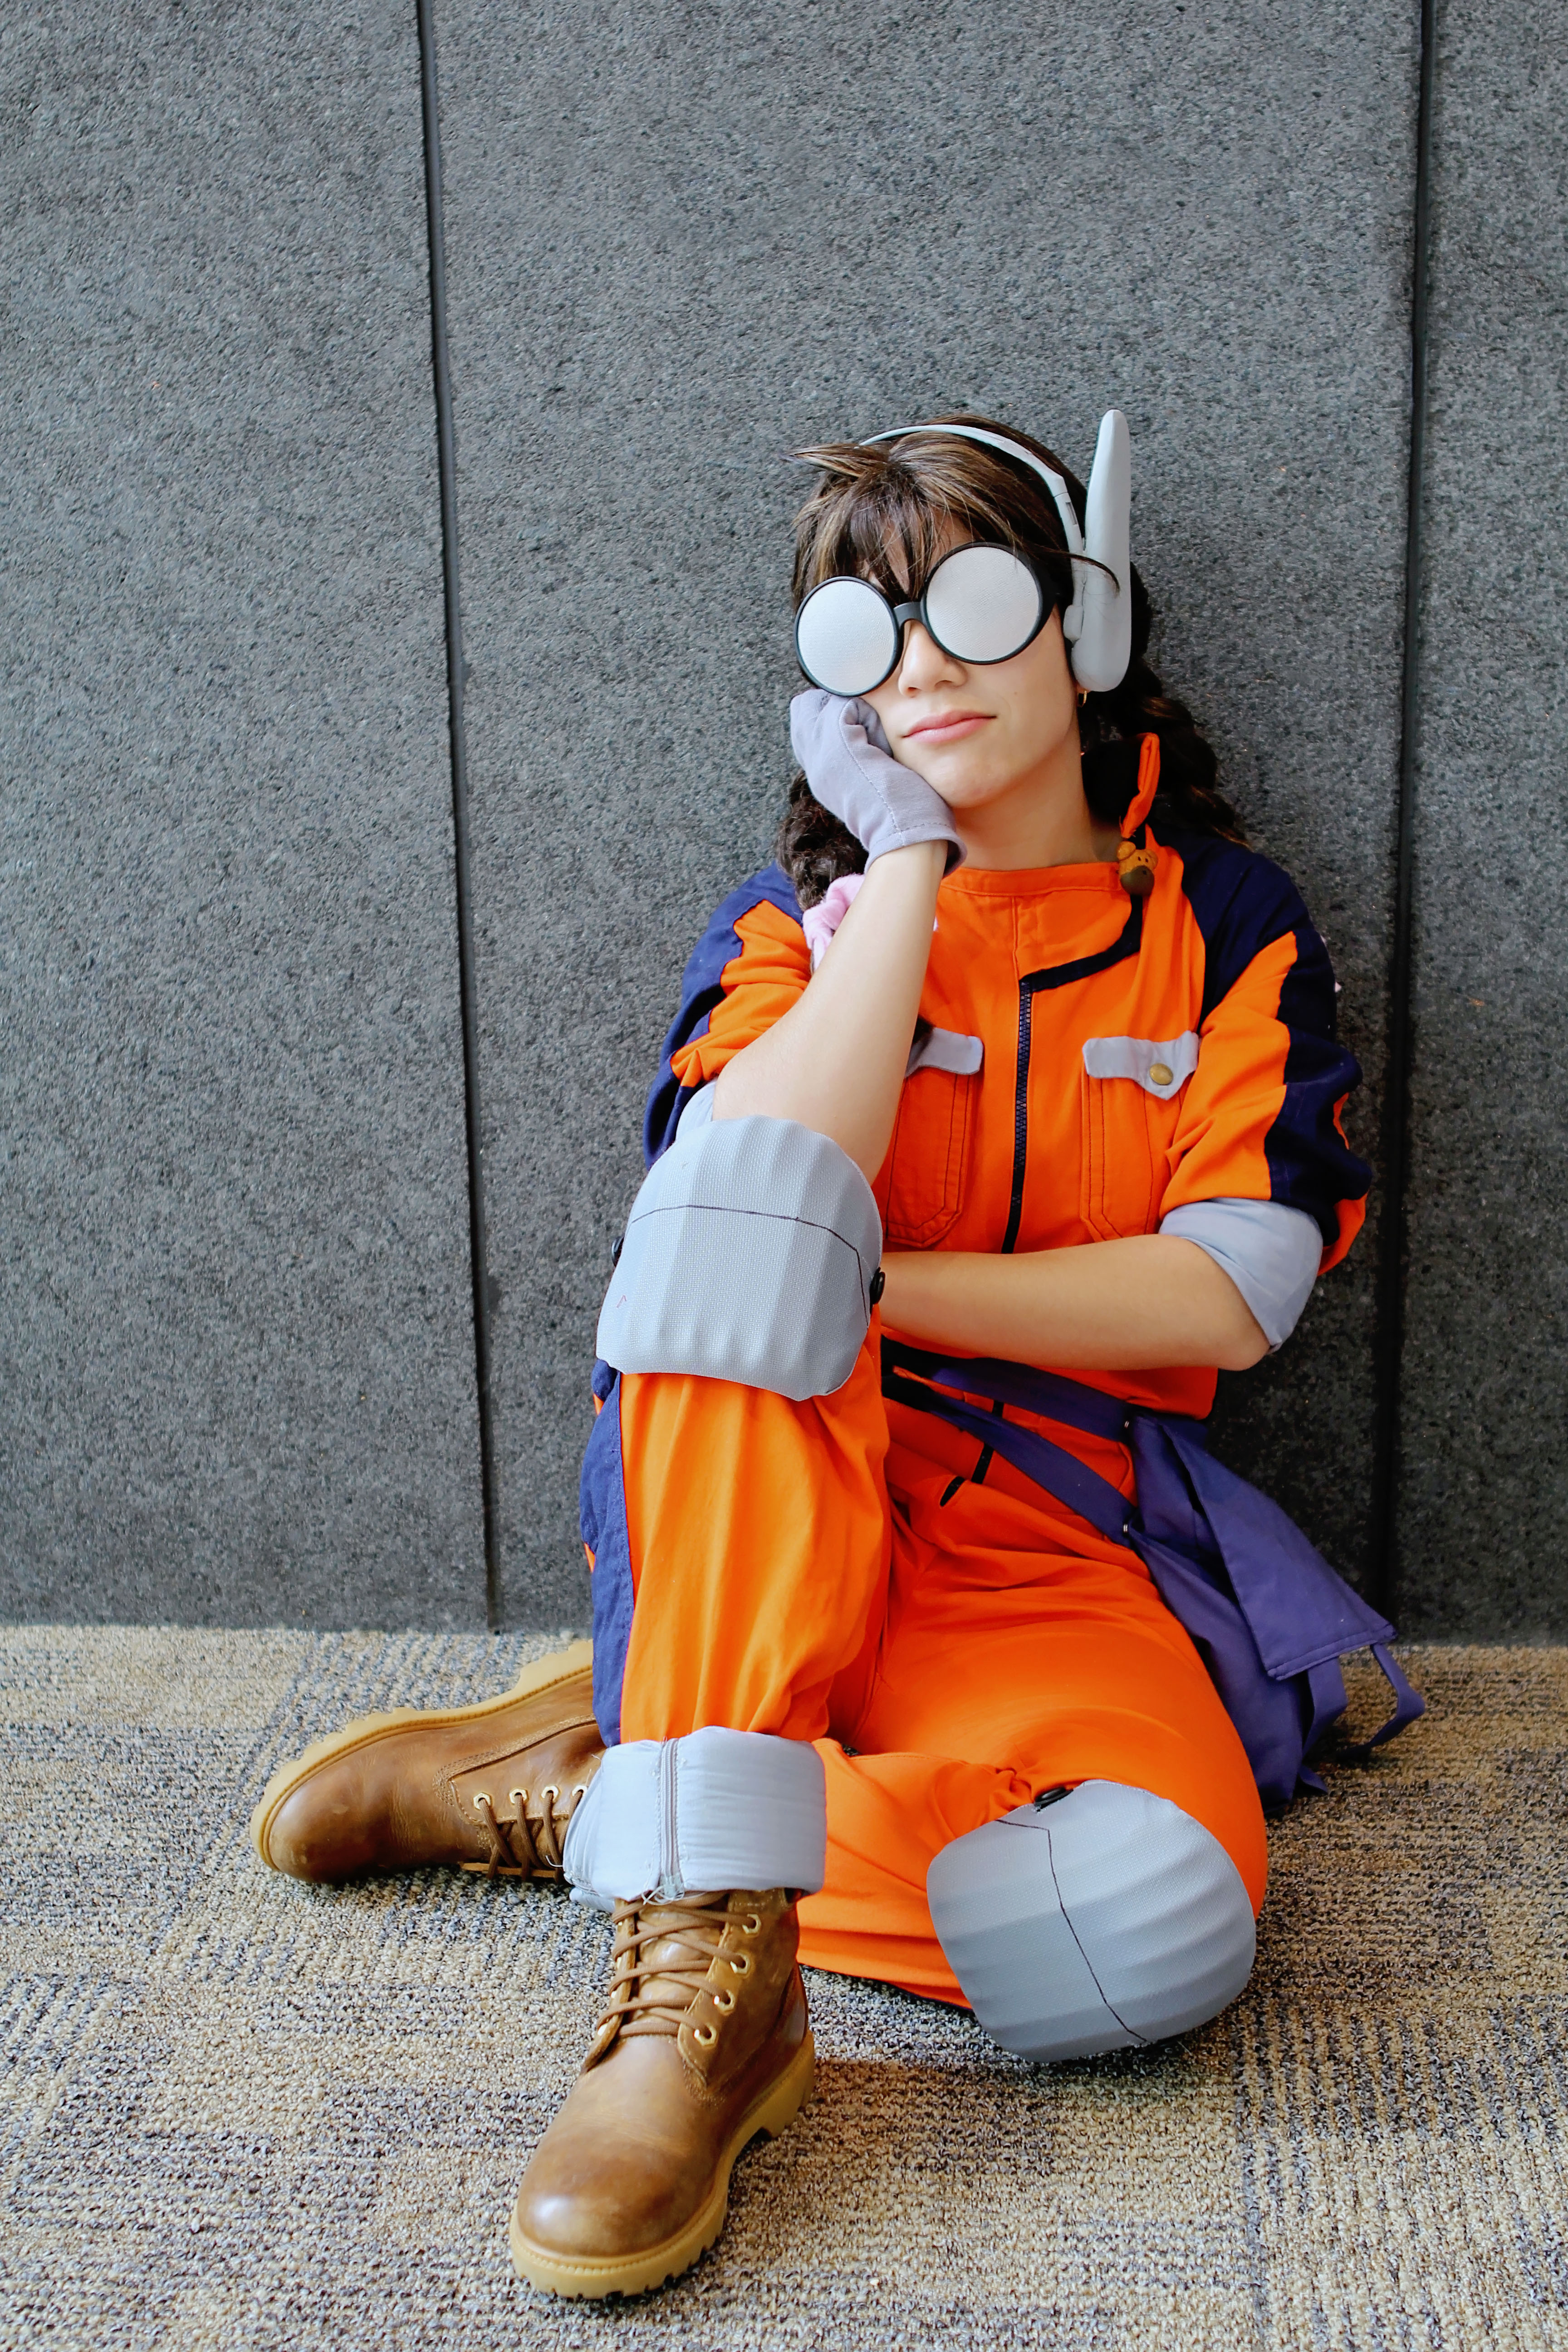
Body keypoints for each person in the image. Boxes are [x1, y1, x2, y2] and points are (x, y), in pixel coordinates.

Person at [249, 414, 1372, 2300]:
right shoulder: (799, 928)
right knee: (746, 1217)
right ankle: (707, 1981)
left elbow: (1225, 1293)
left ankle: (617, 1787)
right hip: (780, 1491)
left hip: (1051, 1537)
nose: (921, 665)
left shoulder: (1226, 926)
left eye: (973, 603)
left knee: (1142, 1923)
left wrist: (875, 1288)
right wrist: (906, 867)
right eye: (868, 629)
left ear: (1087, 620)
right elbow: (735, 1216)